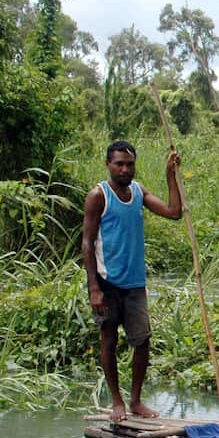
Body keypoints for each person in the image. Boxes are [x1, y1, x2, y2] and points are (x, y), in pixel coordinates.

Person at [82, 140, 182, 422]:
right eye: (119, 164)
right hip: (107, 282)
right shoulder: (98, 196)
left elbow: (173, 212)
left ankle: (136, 400)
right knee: (109, 340)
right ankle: (117, 401)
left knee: (142, 340)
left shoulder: (138, 192)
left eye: (130, 164)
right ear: (108, 165)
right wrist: (94, 287)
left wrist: (170, 176)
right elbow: (87, 243)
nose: (125, 169)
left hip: (134, 282)